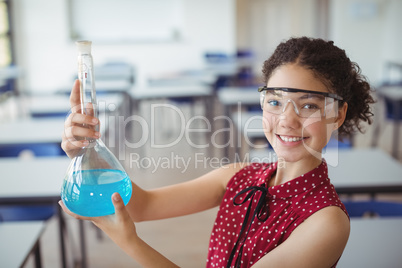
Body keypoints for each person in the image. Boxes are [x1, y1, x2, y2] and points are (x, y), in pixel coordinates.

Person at [60, 36, 374, 267]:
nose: (287, 120)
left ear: (338, 113)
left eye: (309, 105)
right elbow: (140, 205)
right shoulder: (238, 176)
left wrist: (129, 242)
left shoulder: (326, 221)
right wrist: (85, 152)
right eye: (275, 101)